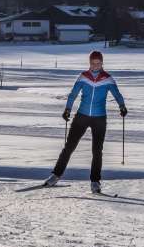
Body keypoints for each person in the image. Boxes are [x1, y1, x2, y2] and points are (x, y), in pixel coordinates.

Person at [44, 50, 127, 193]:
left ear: (102, 63)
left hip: (99, 118)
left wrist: (122, 106)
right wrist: (67, 109)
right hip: (81, 116)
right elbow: (73, 94)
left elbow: (117, 94)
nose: (95, 66)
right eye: (93, 63)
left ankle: (95, 182)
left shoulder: (108, 79)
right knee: (69, 147)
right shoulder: (83, 77)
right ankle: (55, 175)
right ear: (90, 63)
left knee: (97, 151)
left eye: (98, 63)